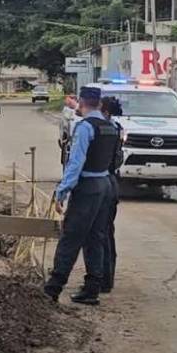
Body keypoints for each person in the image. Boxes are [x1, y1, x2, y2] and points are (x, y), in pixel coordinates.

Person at [44, 86, 119, 305]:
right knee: (96, 237)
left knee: (71, 237)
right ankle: (92, 288)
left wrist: (62, 191)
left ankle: (52, 289)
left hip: (88, 186)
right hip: (105, 185)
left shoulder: (85, 127)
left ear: (82, 102)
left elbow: (76, 163)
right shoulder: (111, 126)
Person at [100, 95, 125, 294]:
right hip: (112, 182)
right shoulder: (116, 128)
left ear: (105, 111)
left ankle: (102, 279)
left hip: (102, 183)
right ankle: (107, 278)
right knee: (108, 233)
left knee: (100, 234)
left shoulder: (103, 129)